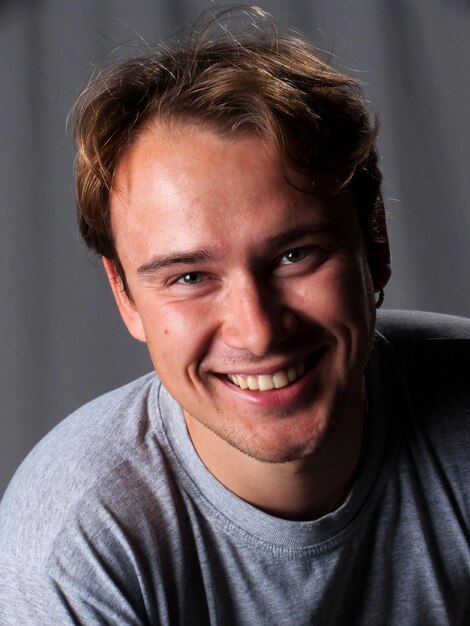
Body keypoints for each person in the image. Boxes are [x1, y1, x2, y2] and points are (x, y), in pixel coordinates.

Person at [1, 6, 470, 625]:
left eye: (295, 255)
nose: (259, 331)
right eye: (190, 277)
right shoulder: (78, 542)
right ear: (125, 296)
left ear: (374, 243)